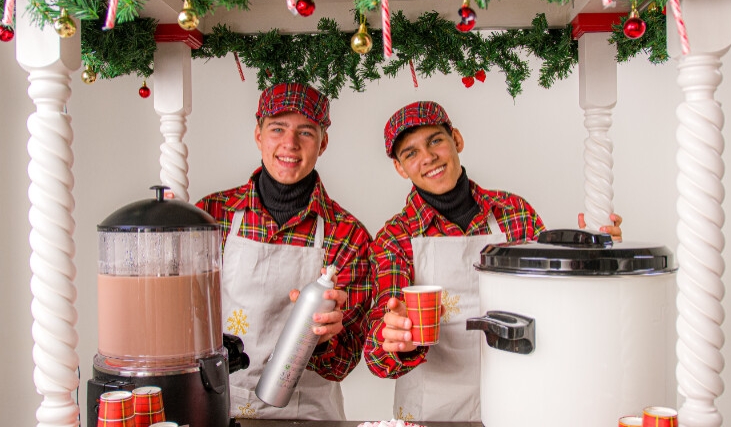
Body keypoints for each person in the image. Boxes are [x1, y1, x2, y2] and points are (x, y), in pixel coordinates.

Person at [363, 101, 622, 422]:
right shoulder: (395, 236)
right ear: (400, 168)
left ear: (456, 139)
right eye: (410, 153)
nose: (427, 158)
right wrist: (394, 336)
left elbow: (555, 300)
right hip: (431, 409)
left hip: (518, 393)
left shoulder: (514, 213)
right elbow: (376, 355)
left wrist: (593, 259)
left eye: (435, 140)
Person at [196, 83, 372, 421]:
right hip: (220, 406)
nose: (289, 144)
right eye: (277, 128)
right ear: (258, 134)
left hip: (306, 413)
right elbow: (185, 317)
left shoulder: (347, 234)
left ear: (323, 143)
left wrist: (323, 340)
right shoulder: (211, 215)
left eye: (305, 132)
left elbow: (343, 363)